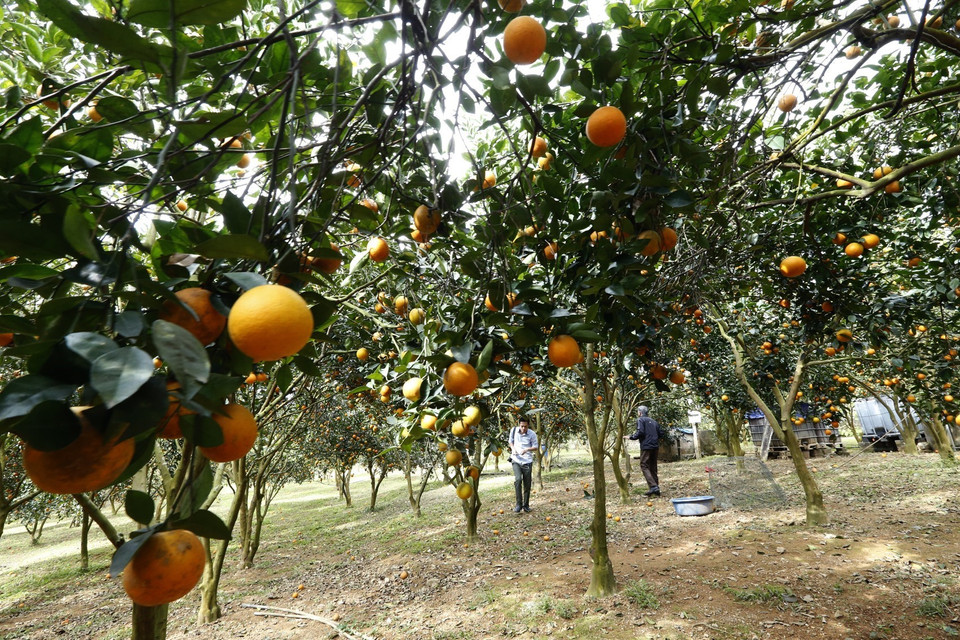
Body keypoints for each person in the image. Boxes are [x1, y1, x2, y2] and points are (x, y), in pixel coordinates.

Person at [628, 405, 665, 497]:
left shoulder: (640, 420)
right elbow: (661, 433)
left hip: (646, 446)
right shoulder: (654, 421)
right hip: (655, 446)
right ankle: (656, 489)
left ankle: (653, 487)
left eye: (638, 411)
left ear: (640, 412)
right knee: (653, 466)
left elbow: (640, 432)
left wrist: (631, 437)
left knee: (644, 465)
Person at [509, 417, 538, 513]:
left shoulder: (532, 434)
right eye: (522, 426)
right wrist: (513, 449)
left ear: (528, 425)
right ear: (519, 425)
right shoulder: (513, 430)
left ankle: (526, 505)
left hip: (527, 461)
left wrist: (527, 449)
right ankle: (518, 505)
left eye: (525, 426)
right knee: (518, 480)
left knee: (527, 484)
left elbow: (536, 447)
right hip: (516, 460)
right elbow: (510, 441)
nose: (523, 428)